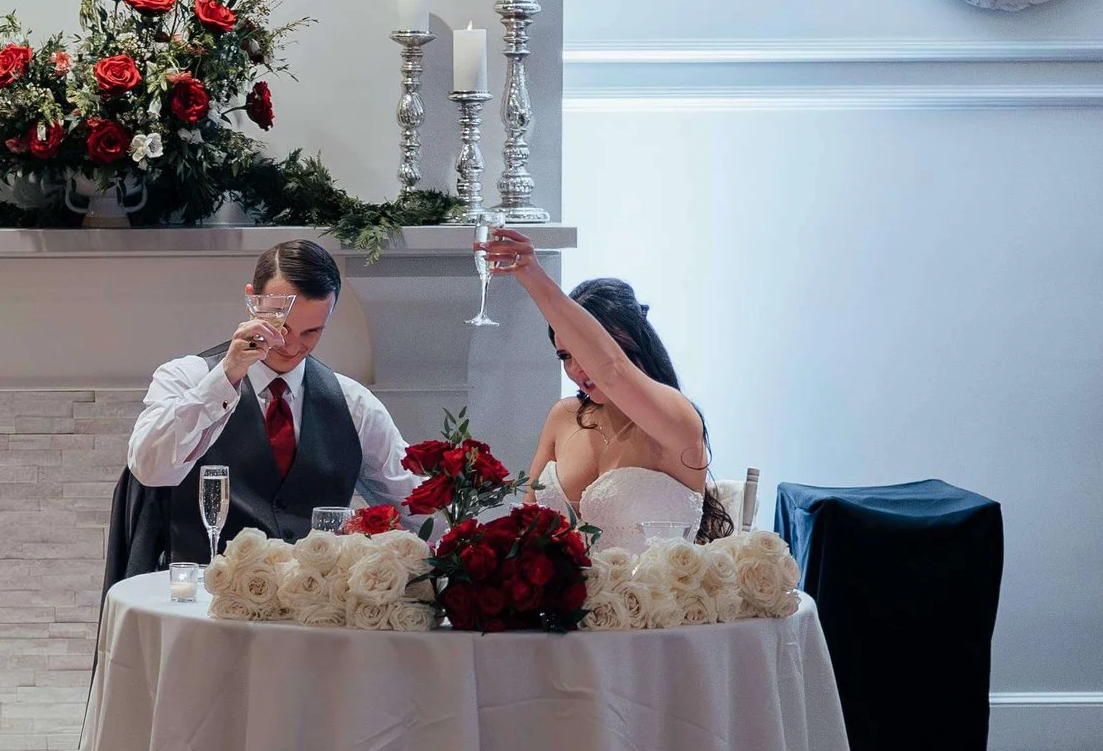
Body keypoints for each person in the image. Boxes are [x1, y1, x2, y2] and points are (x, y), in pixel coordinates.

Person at [107, 239, 419, 585]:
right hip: (204, 605)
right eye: (280, 325)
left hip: (313, 612)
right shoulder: (187, 378)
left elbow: (413, 501)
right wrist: (225, 378)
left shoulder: (354, 404)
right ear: (251, 300)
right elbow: (150, 468)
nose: (290, 344)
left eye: (311, 332)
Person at [479, 226, 731, 553]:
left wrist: (532, 275)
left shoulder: (678, 420)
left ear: (628, 342)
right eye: (565, 356)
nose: (577, 369)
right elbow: (525, 526)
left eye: (586, 354)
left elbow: (612, 371)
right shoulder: (564, 416)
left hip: (653, 600)